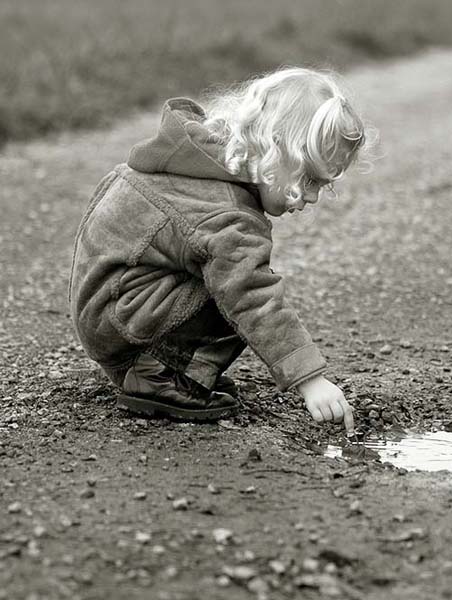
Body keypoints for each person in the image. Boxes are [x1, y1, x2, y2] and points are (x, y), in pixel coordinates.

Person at [68, 67, 367, 432]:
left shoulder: (195, 155)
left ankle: (158, 367)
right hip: (122, 321)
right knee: (239, 285)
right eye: (308, 178)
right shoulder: (226, 212)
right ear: (274, 147)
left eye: (323, 185)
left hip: (108, 308)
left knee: (228, 272)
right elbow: (253, 296)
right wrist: (310, 379)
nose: (312, 196)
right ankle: (156, 374)